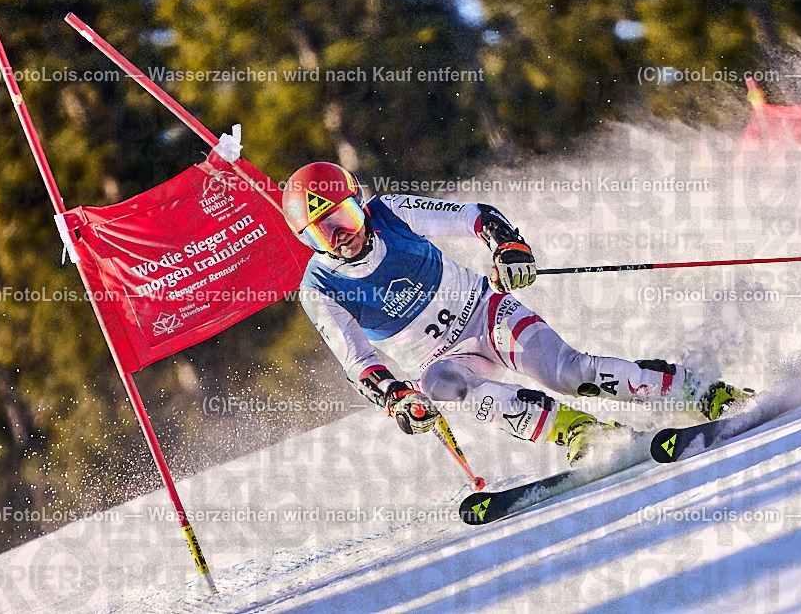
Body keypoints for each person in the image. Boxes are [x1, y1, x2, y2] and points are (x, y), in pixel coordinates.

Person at [284, 162, 748, 464]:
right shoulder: (319, 289)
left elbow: (475, 216)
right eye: (324, 233)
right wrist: (396, 398)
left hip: (485, 314)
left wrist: (507, 247)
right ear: (309, 241)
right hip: (441, 360)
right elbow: (358, 362)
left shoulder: (391, 212)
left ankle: (701, 392)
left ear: (359, 203)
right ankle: (580, 433)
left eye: (343, 217)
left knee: (568, 373)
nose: (341, 235)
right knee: (438, 386)